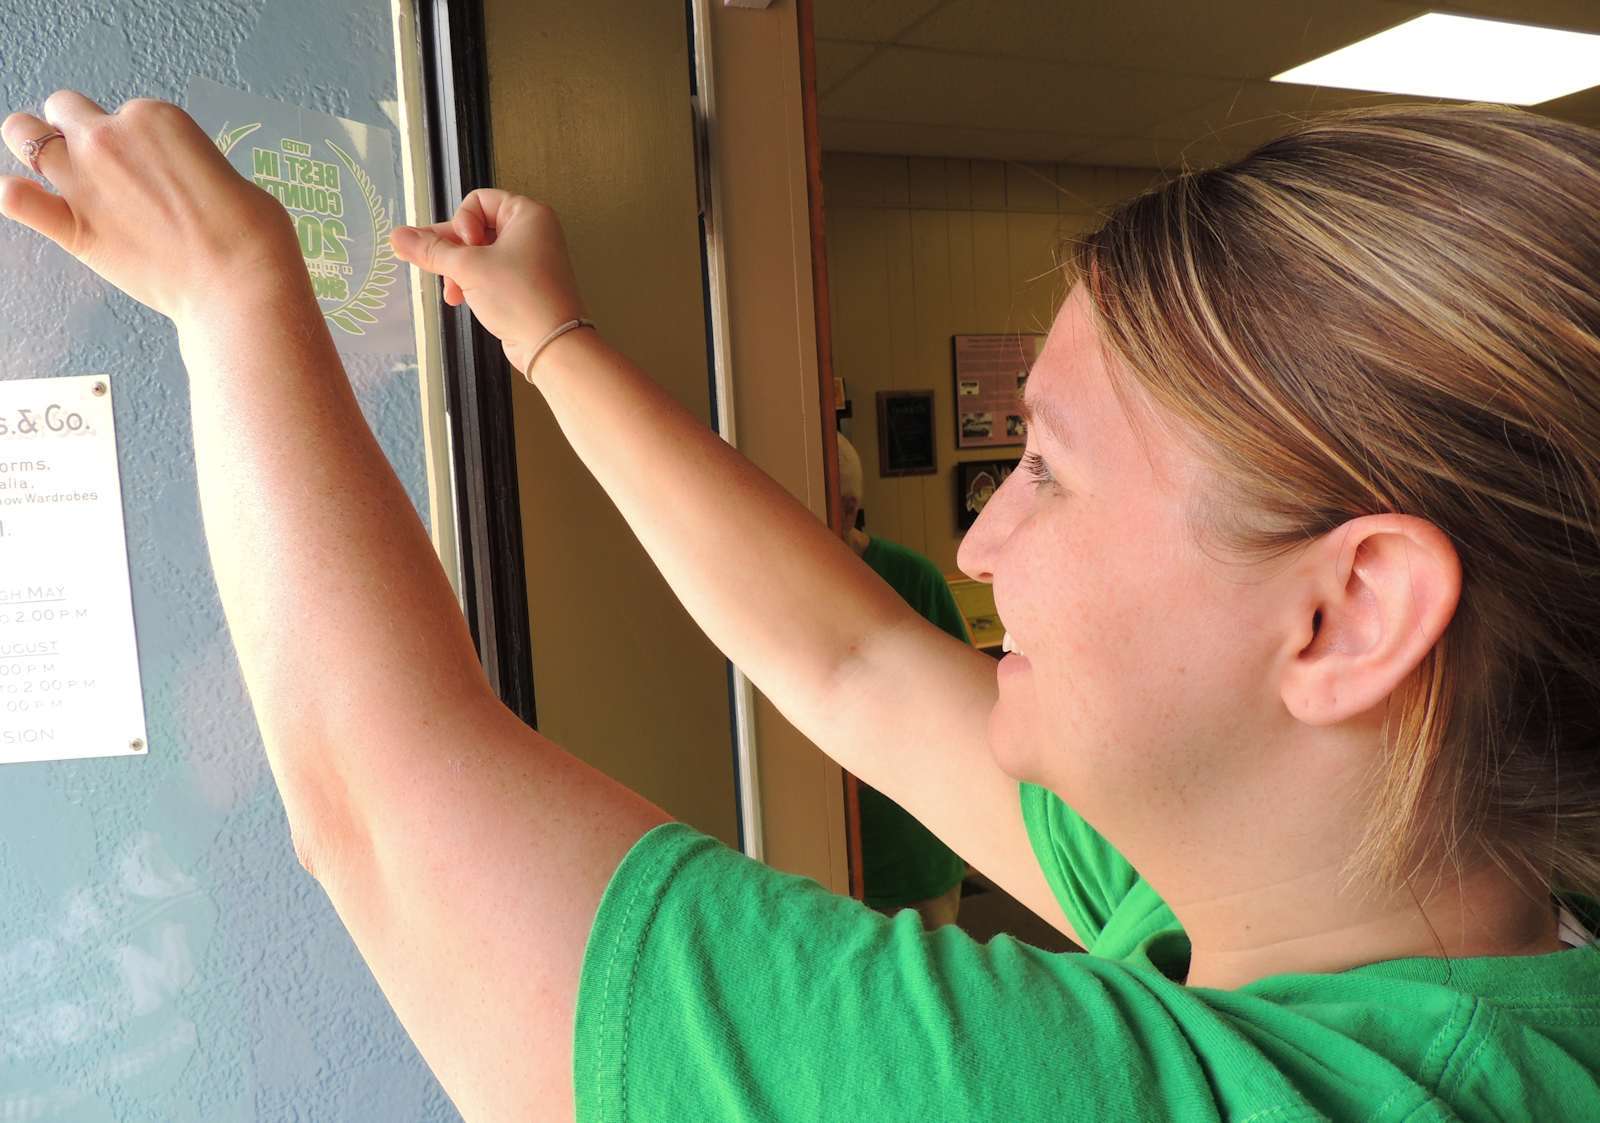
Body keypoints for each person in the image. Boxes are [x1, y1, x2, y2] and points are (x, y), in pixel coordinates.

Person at [3, 92, 1599, 1120]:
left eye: (1044, 467)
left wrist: (233, 292)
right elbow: (846, 656)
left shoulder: (1108, 1092)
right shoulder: (1367, 914)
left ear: (1349, 613)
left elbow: (388, 803)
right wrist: (552, 343)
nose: (977, 546)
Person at [834, 434, 969, 928]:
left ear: (849, 509)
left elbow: (964, 712)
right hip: (826, 855)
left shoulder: (912, 578)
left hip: (912, 854)